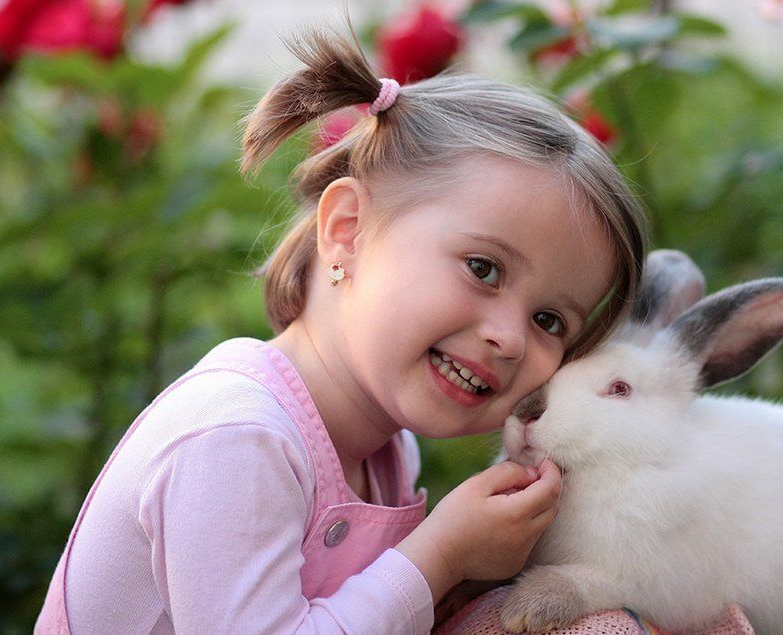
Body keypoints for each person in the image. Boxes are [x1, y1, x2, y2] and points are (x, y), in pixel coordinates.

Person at [35, 25, 645, 634]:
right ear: (348, 230)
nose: (511, 338)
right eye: (483, 269)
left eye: (549, 321)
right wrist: (440, 557)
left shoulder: (385, 450)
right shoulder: (237, 436)